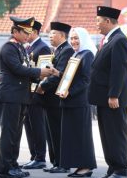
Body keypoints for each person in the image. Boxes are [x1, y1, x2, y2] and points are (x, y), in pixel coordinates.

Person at [0, 16, 52, 178]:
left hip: (20, 97)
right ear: (15, 31)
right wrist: (40, 72)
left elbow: (27, 72)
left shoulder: (20, 48)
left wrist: (45, 74)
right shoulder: (9, 48)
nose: (28, 35)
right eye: (25, 32)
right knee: (9, 133)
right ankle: (6, 169)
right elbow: (18, 70)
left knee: (16, 134)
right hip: (9, 97)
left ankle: (13, 164)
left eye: (29, 32)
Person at [88, 6, 127, 178]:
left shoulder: (119, 40)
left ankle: (120, 169)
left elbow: (118, 71)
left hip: (113, 99)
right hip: (103, 99)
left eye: (98, 21)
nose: (97, 24)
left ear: (108, 21)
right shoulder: (109, 39)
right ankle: (113, 167)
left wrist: (114, 94)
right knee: (107, 136)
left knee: (115, 135)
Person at [52, 27, 97, 177]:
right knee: (73, 136)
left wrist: (69, 91)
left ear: (83, 39)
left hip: (79, 102)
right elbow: (70, 77)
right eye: (71, 38)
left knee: (81, 136)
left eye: (76, 38)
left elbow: (86, 80)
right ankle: (79, 166)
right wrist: (57, 73)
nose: (73, 41)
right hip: (69, 102)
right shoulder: (77, 54)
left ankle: (86, 167)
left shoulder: (88, 55)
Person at [36, 22, 74, 173]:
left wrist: (42, 86)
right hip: (49, 100)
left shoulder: (67, 51)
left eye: (53, 34)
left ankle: (63, 164)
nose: (50, 36)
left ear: (62, 35)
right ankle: (56, 162)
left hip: (56, 99)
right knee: (51, 132)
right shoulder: (58, 51)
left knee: (58, 132)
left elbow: (61, 75)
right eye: (49, 34)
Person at [22, 20, 51, 170]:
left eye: (28, 32)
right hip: (28, 92)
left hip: (37, 93)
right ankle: (33, 155)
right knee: (29, 125)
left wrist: (39, 88)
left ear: (35, 32)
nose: (26, 35)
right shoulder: (29, 48)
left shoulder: (43, 48)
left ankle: (40, 157)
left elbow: (44, 74)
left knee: (38, 125)